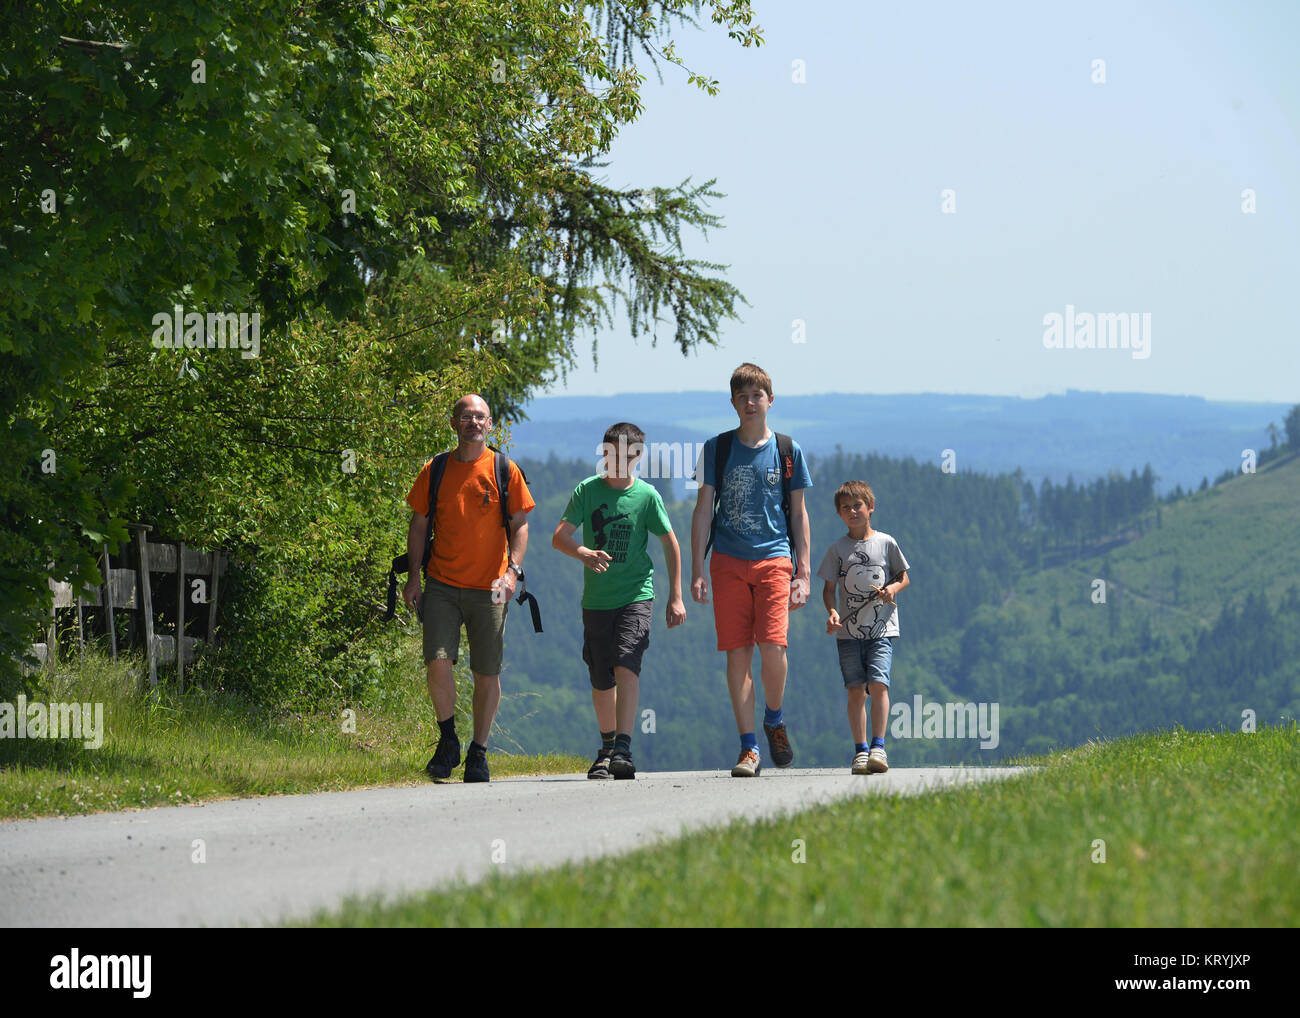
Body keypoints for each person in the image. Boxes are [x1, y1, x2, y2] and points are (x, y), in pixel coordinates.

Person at [401, 394, 535, 783]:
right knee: (437, 662)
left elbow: (520, 524)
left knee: (486, 672)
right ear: (454, 423)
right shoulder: (436, 469)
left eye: (480, 417)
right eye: (466, 417)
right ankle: (447, 741)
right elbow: (419, 525)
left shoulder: (502, 468)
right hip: (441, 583)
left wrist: (512, 572)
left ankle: (478, 752)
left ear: (490, 425)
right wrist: (413, 578)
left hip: (490, 587)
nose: (473, 422)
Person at [690, 363, 812, 777]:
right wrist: (697, 569)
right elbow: (703, 509)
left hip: (775, 560)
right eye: (741, 396)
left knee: (774, 648)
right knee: (737, 654)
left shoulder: (787, 449)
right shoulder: (717, 448)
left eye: (756, 395)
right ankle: (749, 749)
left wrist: (804, 573)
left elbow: (798, 514)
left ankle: (774, 719)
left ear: (770, 400)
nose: (749, 402)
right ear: (732, 403)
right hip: (726, 562)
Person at [553, 422, 686, 780]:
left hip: (636, 596)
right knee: (601, 676)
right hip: (596, 600)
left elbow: (670, 544)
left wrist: (676, 596)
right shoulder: (588, 491)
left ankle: (624, 748)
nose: (619, 461)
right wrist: (583, 553)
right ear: (604, 452)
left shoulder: (646, 496)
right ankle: (607, 747)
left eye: (628, 455)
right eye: (612, 454)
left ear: (638, 456)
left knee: (626, 662)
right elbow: (560, 537)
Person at [817, 481, 910, 774]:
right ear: (839, 514)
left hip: (882, 630)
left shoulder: (886, 542)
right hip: (848, 632)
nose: (853, 511)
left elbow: (903, 576)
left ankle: (878, 748)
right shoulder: (837, 549)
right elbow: (828, 589)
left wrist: (892, 590)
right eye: (846, 508)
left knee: (878, 684)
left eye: (858, 506)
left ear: (871, 508)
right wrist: (832, 612)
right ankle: (860, 751)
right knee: (856, 690)